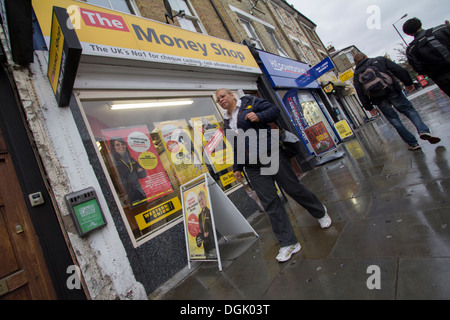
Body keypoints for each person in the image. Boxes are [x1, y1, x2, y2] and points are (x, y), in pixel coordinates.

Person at [215, 88, 331, 263]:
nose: (221, 100)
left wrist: (259, 116)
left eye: (222, 96)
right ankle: (288, 243)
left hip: (270, 154)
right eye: (218, 100)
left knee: (292, 188)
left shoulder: (249, 102)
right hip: (252, 166)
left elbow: (274, 110)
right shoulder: (226, 122)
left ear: (232, 95)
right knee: (269, 202)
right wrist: (237, 167)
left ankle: (320, 212)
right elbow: (236, 145)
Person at [353, 53, 441, 151]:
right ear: (365, 56)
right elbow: (398, 70)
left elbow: (360, 93)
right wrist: (408, 82)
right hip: (392, 91)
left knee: (395, 121)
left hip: (378, 99)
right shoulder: (378, 60)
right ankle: (423, 131)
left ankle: (412, 143)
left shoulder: (356, 74)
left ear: (355, 62)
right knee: (409, 111)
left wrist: (369, 107)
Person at [402, 17, 450, 97]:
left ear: (409, 33)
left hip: (442, 79)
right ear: (420, 24)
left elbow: (419, 69)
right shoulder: (442, 29)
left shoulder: (411, 49)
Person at [110, 137, 147, 206]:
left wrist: (137, 172)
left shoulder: (131, 159)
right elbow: (117, 181)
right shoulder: (114, 163)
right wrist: (135, 172)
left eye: (122, 144)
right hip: (127, 194)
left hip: (139, 190)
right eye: (117, 145)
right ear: (113, 148)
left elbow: (143, 174)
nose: (121, 146)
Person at [197, 190, 216, 259]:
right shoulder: (199, 215)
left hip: (211, 240)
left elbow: (213, 225)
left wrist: (207, 230)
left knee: (213, 253)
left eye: (201, 199)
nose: (201, 202)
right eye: (199, 201)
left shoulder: (209, 212)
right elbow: (200, 228)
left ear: (205, 199)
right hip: (205, 243)